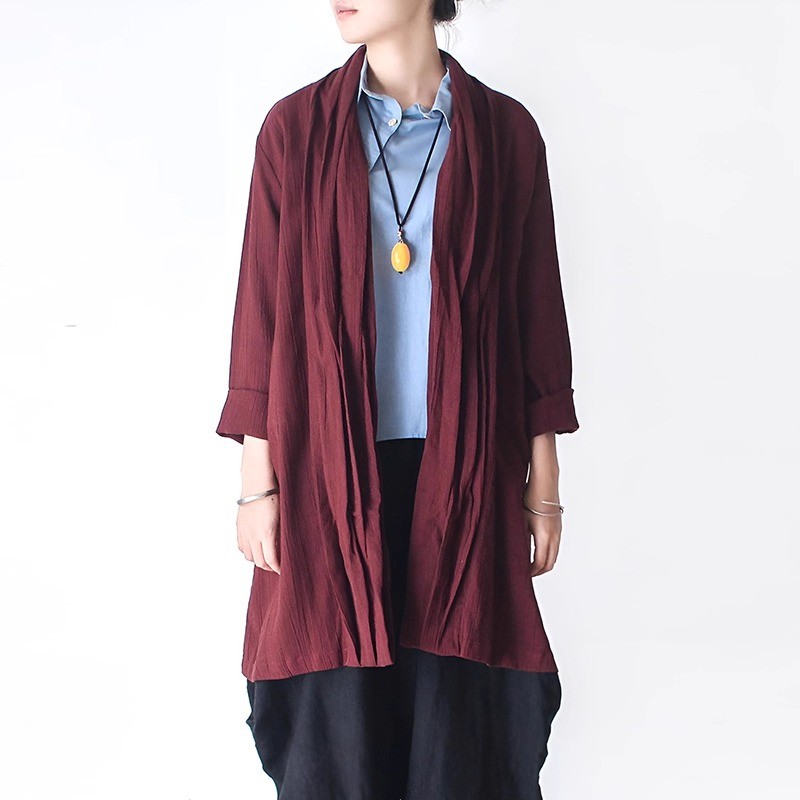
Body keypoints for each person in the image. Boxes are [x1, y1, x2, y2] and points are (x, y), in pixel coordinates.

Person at [216, 1, 580, 797]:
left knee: (460, 728)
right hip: (327, 474)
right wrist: (256, 484)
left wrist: (544, 486)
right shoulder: (293, 133)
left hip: (465, 473)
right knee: (335, 728)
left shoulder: (506, 136)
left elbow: (535, 316)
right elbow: (263, 316)